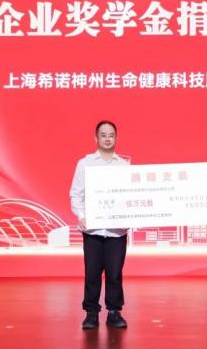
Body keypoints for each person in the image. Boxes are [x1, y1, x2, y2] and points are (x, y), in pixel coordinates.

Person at [70, 120, 130, 330]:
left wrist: (129, 217)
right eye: (103, 135)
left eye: (111, 135)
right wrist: (81, 216)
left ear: (116, 138)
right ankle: (91, 313)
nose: (107, 138)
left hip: (116, 230)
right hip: (93, 229)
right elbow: (76, 194)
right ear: (96, 138)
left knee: (114, 273)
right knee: (92, 273)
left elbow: (129, 197)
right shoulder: (85, 164)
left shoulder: (124, 166)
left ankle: (114, 312)